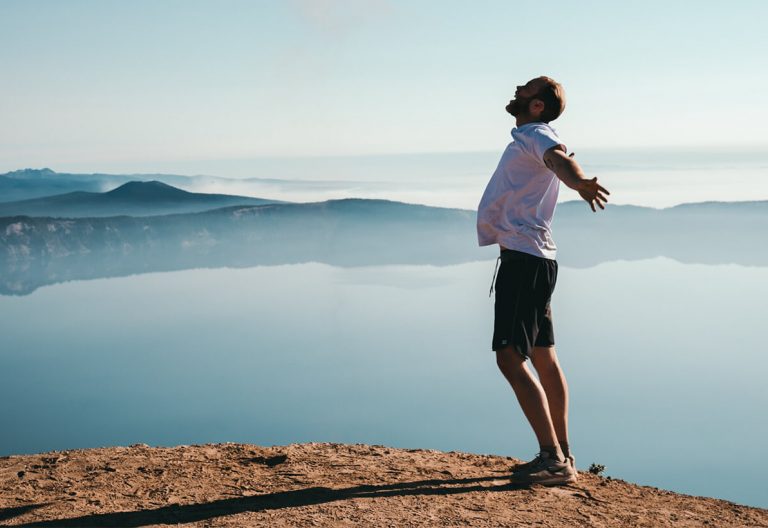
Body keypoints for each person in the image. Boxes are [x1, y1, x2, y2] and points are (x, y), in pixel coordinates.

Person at [477, 76, 609, 486]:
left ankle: (553, 461)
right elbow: (556, 160)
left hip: (523, 260)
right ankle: (562, 453)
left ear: (537, 106)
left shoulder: (537, 134)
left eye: (525, 89)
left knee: (509, 357)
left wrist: (579, 182)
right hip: (534, 258)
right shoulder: (530, 135)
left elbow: (560, 160)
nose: (516, 89)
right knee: (542, 354)